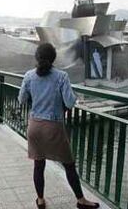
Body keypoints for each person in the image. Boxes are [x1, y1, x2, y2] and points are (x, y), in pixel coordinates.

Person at [18, 43, 99, 209]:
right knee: (68, 164)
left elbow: (22, 99)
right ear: (54, 58)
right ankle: (81, 200)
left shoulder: (28, 75)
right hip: (53, 126)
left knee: (38, 165)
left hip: (34, 126)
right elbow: (69, 102)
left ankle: (40, 200)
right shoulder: (61, 76)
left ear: (37, 57)